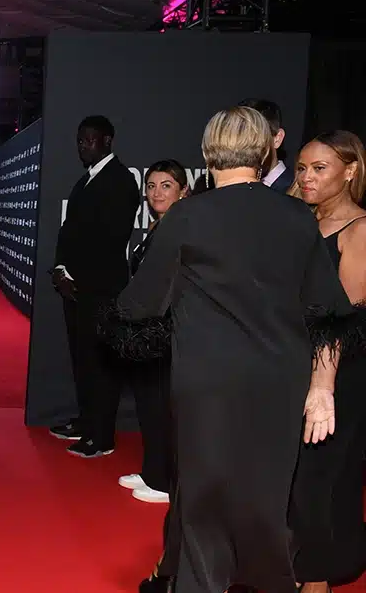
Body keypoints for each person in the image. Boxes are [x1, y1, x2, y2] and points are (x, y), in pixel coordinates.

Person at [107, 106, 350, 593]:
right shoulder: (297, 216)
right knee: (265, 501)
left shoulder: (188, 216)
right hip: (280, 383)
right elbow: (328, 312)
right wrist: (322, 389)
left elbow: (140, 305)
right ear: (265, 151)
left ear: (206, 154)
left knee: (203, 504)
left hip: (208, 385)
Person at [291, 130, 366, 593]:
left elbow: (342, 324)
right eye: (301, 167)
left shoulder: (359, 231)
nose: (306, 177)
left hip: (337, 376)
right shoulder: (302, 223)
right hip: (294, 367)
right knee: (294, 475)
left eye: (319, 168)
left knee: (321, 477)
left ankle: (316, 579)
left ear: (351, 171)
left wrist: (323, 389)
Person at [49, 115, 141, 457]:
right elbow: (69, 231)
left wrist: (77, 279)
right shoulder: (85, 180)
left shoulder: (121, 181)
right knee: (82, 360)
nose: (83, 146)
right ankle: (87, 420)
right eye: (79, 140)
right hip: (75, 289)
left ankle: (101, 436)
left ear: (107, 141)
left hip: (100, 289)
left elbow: (110, 241)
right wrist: (61, 270)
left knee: (101, 365)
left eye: (90, 140)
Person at [120, 160, 188, 506]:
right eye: (151, 186)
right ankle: (150, 471)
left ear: (182, 191)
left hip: (166, 335)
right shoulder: (157, 228)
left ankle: (163, 481)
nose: (156, 192)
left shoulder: (178, 232)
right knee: (148, 405)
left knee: (161, 407)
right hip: (147, 333)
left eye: (166, 186)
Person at [240, 98, 293, 193]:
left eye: (254, 138)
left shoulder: (297, 191)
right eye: (239, 139)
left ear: (277, 138)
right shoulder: (235, 189)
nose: (244, 146)